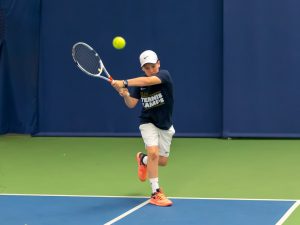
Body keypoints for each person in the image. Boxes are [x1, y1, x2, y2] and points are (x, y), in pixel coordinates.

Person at [111, 50, 175, 207]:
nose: (151, 70)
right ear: (142, 69)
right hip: (147, 122)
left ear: (158, 63)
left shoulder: (164, 75)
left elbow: (148, 81)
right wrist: (125, 94)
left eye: (153, 66)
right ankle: (156, 192)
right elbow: (132, 104)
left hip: (165, 125)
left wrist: (124, 82)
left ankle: (142, 160)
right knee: (153, 152)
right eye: (147, 68)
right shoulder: (139, 85)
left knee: (163, 161)